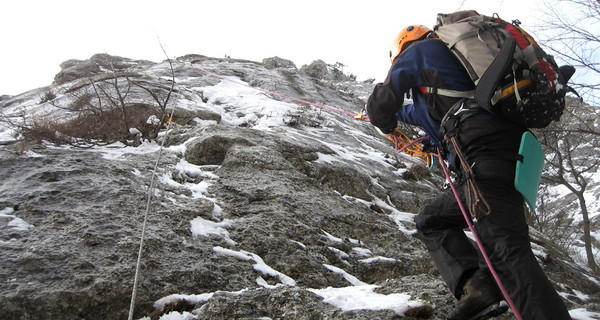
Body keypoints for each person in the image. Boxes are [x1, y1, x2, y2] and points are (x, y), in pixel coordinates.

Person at [366, 25, 572, 320]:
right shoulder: (456, 71)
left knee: (508, 253)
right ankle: (481, 287)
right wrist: (397, 117)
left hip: (484, 158)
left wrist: (380, 119)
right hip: (505, 155)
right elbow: (419, 113)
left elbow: (383, 103)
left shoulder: (420, 52)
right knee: (432, 221)